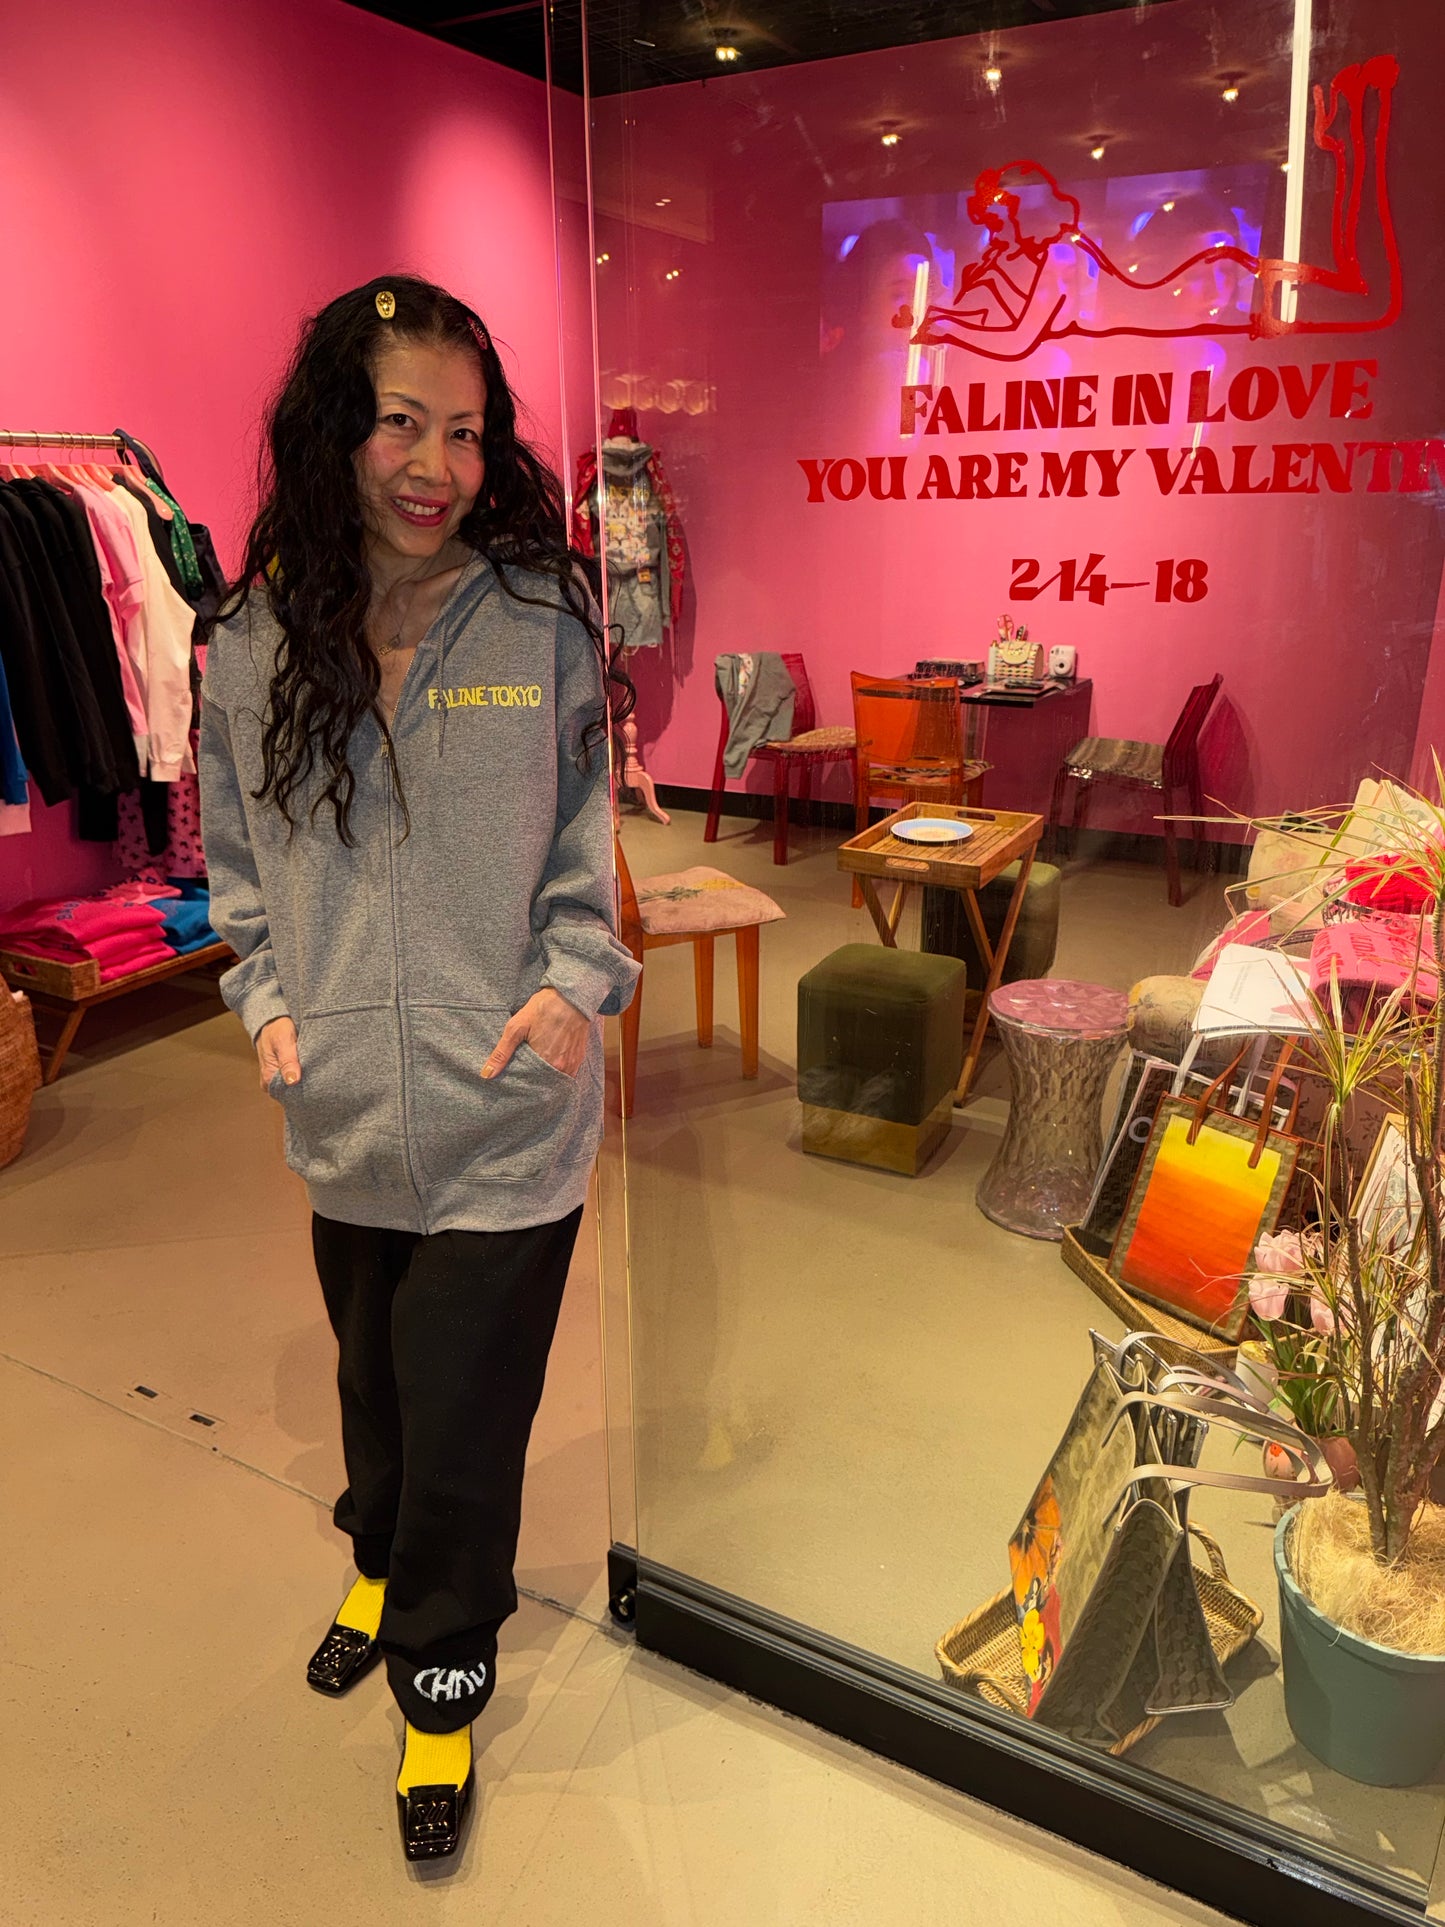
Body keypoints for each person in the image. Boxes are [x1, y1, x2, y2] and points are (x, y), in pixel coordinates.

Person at [199, 274, 639, 1863]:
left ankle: (439, 1682)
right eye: (401, 423)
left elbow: (585, 834)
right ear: (336, 427)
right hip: (343, 1105)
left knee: (461, 1411)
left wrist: (575, 985)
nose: (435, 466)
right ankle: (375, 1561)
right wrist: (265, 1001)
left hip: (508, 1103)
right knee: (372, 1374)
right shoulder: (250, 640)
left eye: (463, 431)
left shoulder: (535, 617)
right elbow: (232, 856)